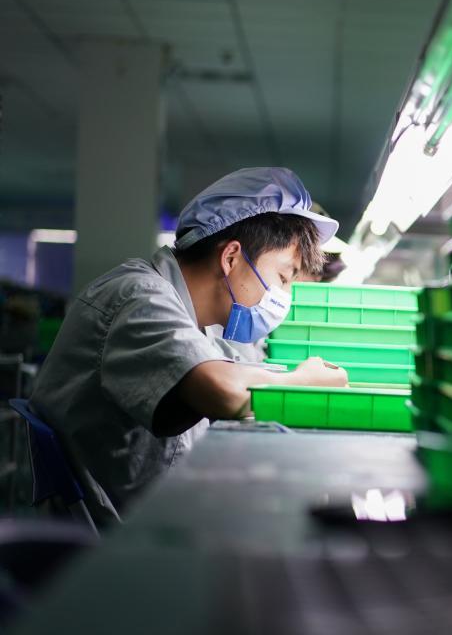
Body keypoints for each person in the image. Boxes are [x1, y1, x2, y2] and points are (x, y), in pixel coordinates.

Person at [30, 167, 350, 526]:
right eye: (283, 278)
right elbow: (225, 391)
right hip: (119, 541)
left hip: (152, 518)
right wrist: (302, 381)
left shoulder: (188, 319)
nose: (284, 297)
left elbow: (228, 377)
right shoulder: (139, 297)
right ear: (231, 258)